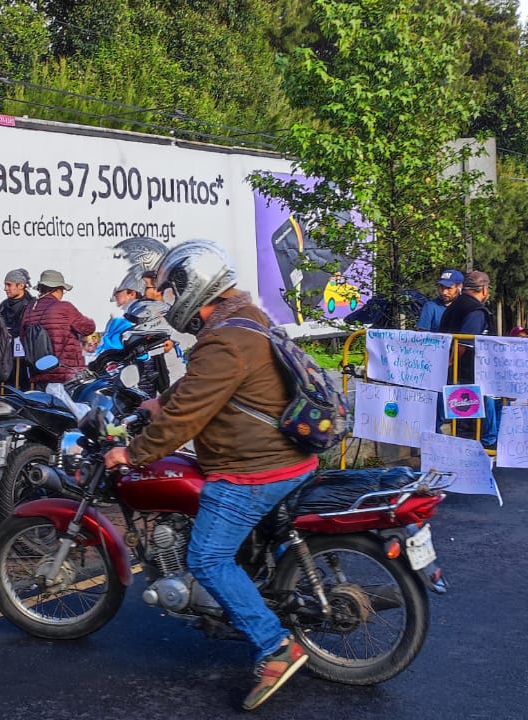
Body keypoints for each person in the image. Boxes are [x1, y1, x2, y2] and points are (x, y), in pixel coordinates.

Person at [103, 239, 311, 711]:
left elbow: (186, 419)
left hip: (254, 468)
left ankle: (275, 646)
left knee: (208, 558)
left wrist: (132, 455)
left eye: (173, 291)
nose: (170, 301)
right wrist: (161, 401)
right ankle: (264, 590)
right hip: (286, 455)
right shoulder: (244, 320)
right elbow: (203, 385)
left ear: (195, 287)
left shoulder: (225, 339)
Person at [440, 271, 498, 446]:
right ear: (484, 289)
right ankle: (478, 449)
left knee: (461, 420)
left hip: (457, 373)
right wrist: (451, 362)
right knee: (468, 424)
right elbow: (463, 344)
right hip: (468, 376)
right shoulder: (475, 311)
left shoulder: (453, 307)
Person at [20, 269, 95, 387]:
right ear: (57, 289)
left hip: (39, 372)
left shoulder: (29, 309)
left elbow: (23, 337)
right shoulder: (64, 307)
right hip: (66, 372)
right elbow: (88, 328)